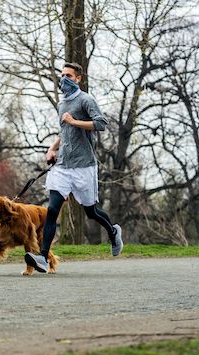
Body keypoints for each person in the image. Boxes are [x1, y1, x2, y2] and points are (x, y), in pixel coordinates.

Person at [25, 62, 123, 273]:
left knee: (91, 212)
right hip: (62, 166)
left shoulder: (86, 100)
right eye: (62, 75)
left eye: (69, 75)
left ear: (78, 78)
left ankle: (113, 232)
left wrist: (75, 121)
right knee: (52, 210)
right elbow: (64, 133)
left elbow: (101, 124)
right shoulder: (61, 104)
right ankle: (42, 258)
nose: (64, 79)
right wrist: (52, 148)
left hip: (84, 166)